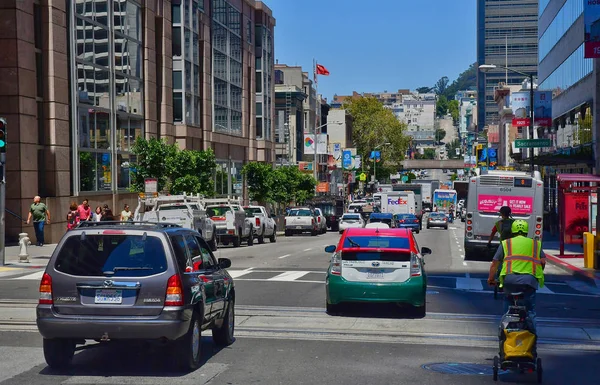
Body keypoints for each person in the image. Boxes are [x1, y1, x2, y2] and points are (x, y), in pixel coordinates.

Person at [487, 220, 546, 317]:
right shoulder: (535, 244)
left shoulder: (506, 243)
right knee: (530, 311)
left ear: (512, 230)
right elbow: (543, 261)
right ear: (527, 231)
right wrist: (538, 272)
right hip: (529, 281)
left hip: (509, 280)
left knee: (508, 302)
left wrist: (491, 279)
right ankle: (532, 330)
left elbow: (495, 263)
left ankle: (506, 323)